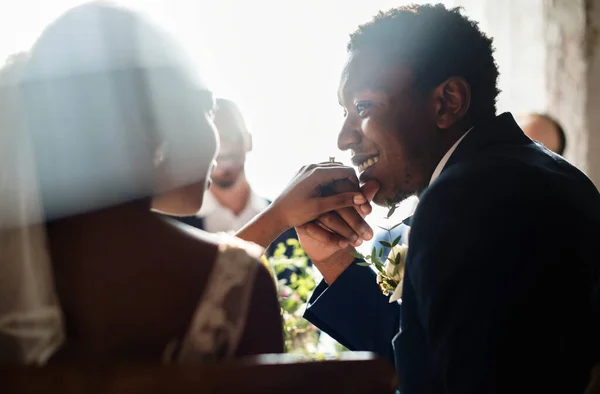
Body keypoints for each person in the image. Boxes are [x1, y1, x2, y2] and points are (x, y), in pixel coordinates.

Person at [0, 2, 374, 364]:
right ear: (154, 130)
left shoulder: (17, 273)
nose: (219, 144)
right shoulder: (236, 287)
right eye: (207, 108)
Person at [297, 4, 600, 393]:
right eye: (345, 111)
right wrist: (334, 260)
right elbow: (433, 356)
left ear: (447, 102)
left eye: (363, 106)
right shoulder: (539, 174)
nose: (344, 137)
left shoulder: (465, 201)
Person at [168, 98, 301, 258]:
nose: (225, 146)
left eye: (233, 136)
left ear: (249, 141)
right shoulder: (171, 225)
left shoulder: (292, 223)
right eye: (216, 138)